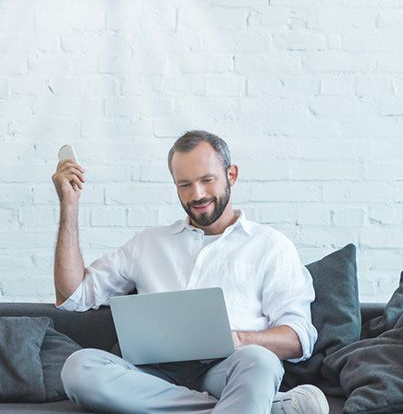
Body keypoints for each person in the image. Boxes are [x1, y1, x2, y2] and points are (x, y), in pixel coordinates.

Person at [50, 130, 329, 414]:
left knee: (261, 361)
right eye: (184, 185)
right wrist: (69, 205)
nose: (197, 195)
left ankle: (238, 401)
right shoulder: (149, 243)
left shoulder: (271, 245)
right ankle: (250, 408)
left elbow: (298, 338)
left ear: (231, 175)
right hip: (153, 375)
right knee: (78, 368)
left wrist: (240, 339)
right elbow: (74, 294)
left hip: (229, 369)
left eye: (207, 180)